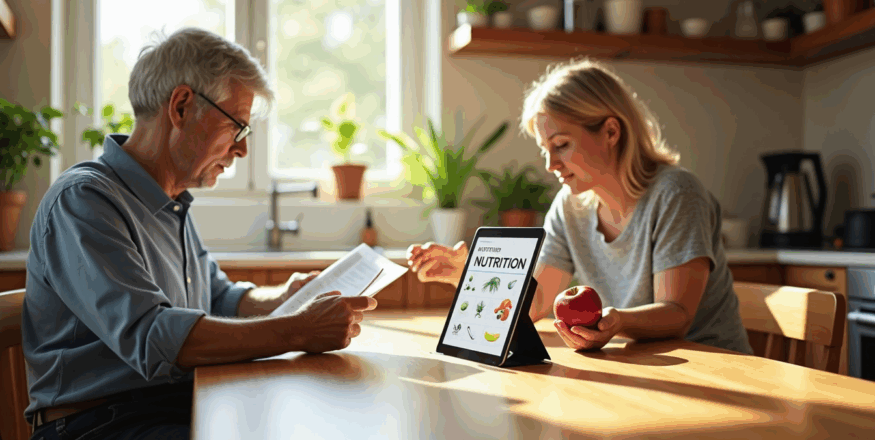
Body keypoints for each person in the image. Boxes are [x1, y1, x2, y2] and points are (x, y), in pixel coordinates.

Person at [22, 28, 376, 440]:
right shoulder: (84, 200)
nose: (242, 150)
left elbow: (220, 297)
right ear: (182, 106)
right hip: (99, 424)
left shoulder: (170, 203)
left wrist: (282, 297)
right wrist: (297, 328)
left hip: (169, 405)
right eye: (237, 128)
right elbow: (154, 338)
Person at [407, 59, 753, 355]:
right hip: (641, 365)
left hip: (712, 366)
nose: (550, 164)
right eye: (545, 149)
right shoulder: (570, 207)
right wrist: (471, 277)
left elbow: (677, 314)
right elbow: (538, 303)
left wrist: (618, 320)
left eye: (561, 145)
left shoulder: (676, 194)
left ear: (611, 132)